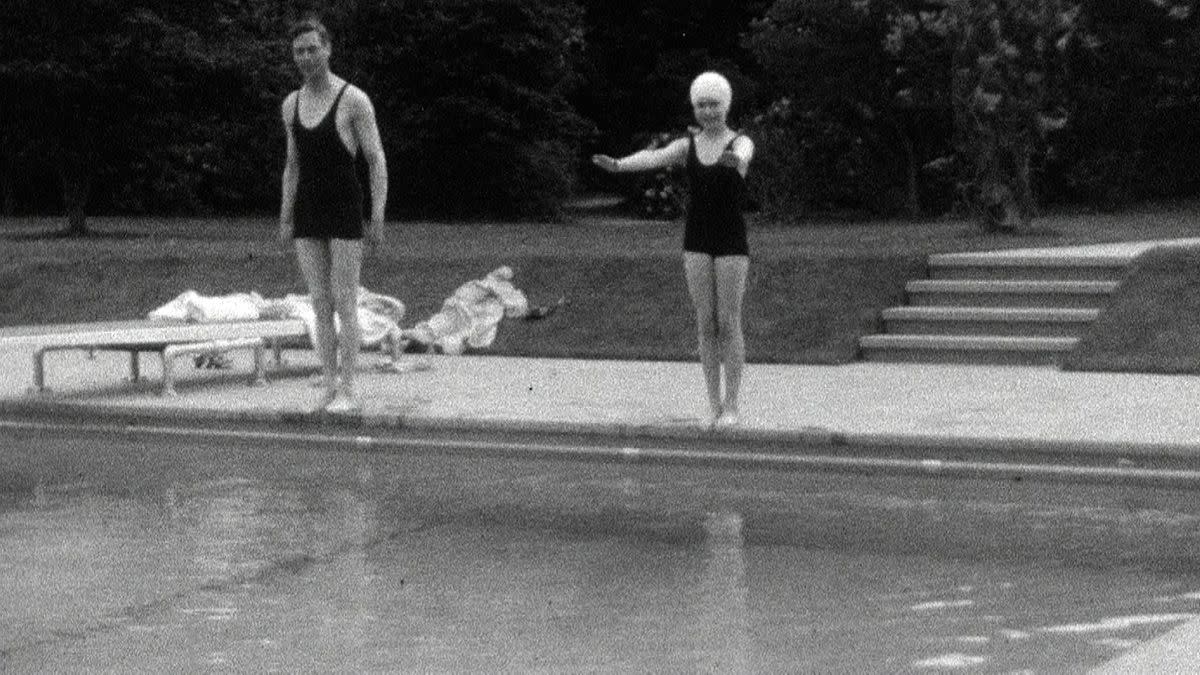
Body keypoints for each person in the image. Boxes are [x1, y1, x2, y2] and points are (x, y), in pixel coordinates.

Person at [592, 71, 755, 428]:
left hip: (730, 241)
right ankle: (712, 403)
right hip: (696, 240)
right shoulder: (687, 146)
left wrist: (734, 161)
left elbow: (740, 160)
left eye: (714, 104)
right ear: (694, 108)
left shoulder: (740, 142)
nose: (708, 111)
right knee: (705, 322)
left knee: (728, 322)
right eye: (701, 105)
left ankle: (732, 405)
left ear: (725, 105)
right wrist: (619, 165)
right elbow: (654, 157)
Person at [279, 17, 388, 413]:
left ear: (328, 49)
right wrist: (285, 215)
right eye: (298, 51)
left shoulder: (354, 100)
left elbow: (376, 160)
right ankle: (328, 382)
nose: (306, 57)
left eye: (312, 49)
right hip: (309, 209)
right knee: (319, 303)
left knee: (345, 301)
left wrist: (377, 214)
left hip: (344, 207)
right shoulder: (291, 104)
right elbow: (292, 165)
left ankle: (349, 387)